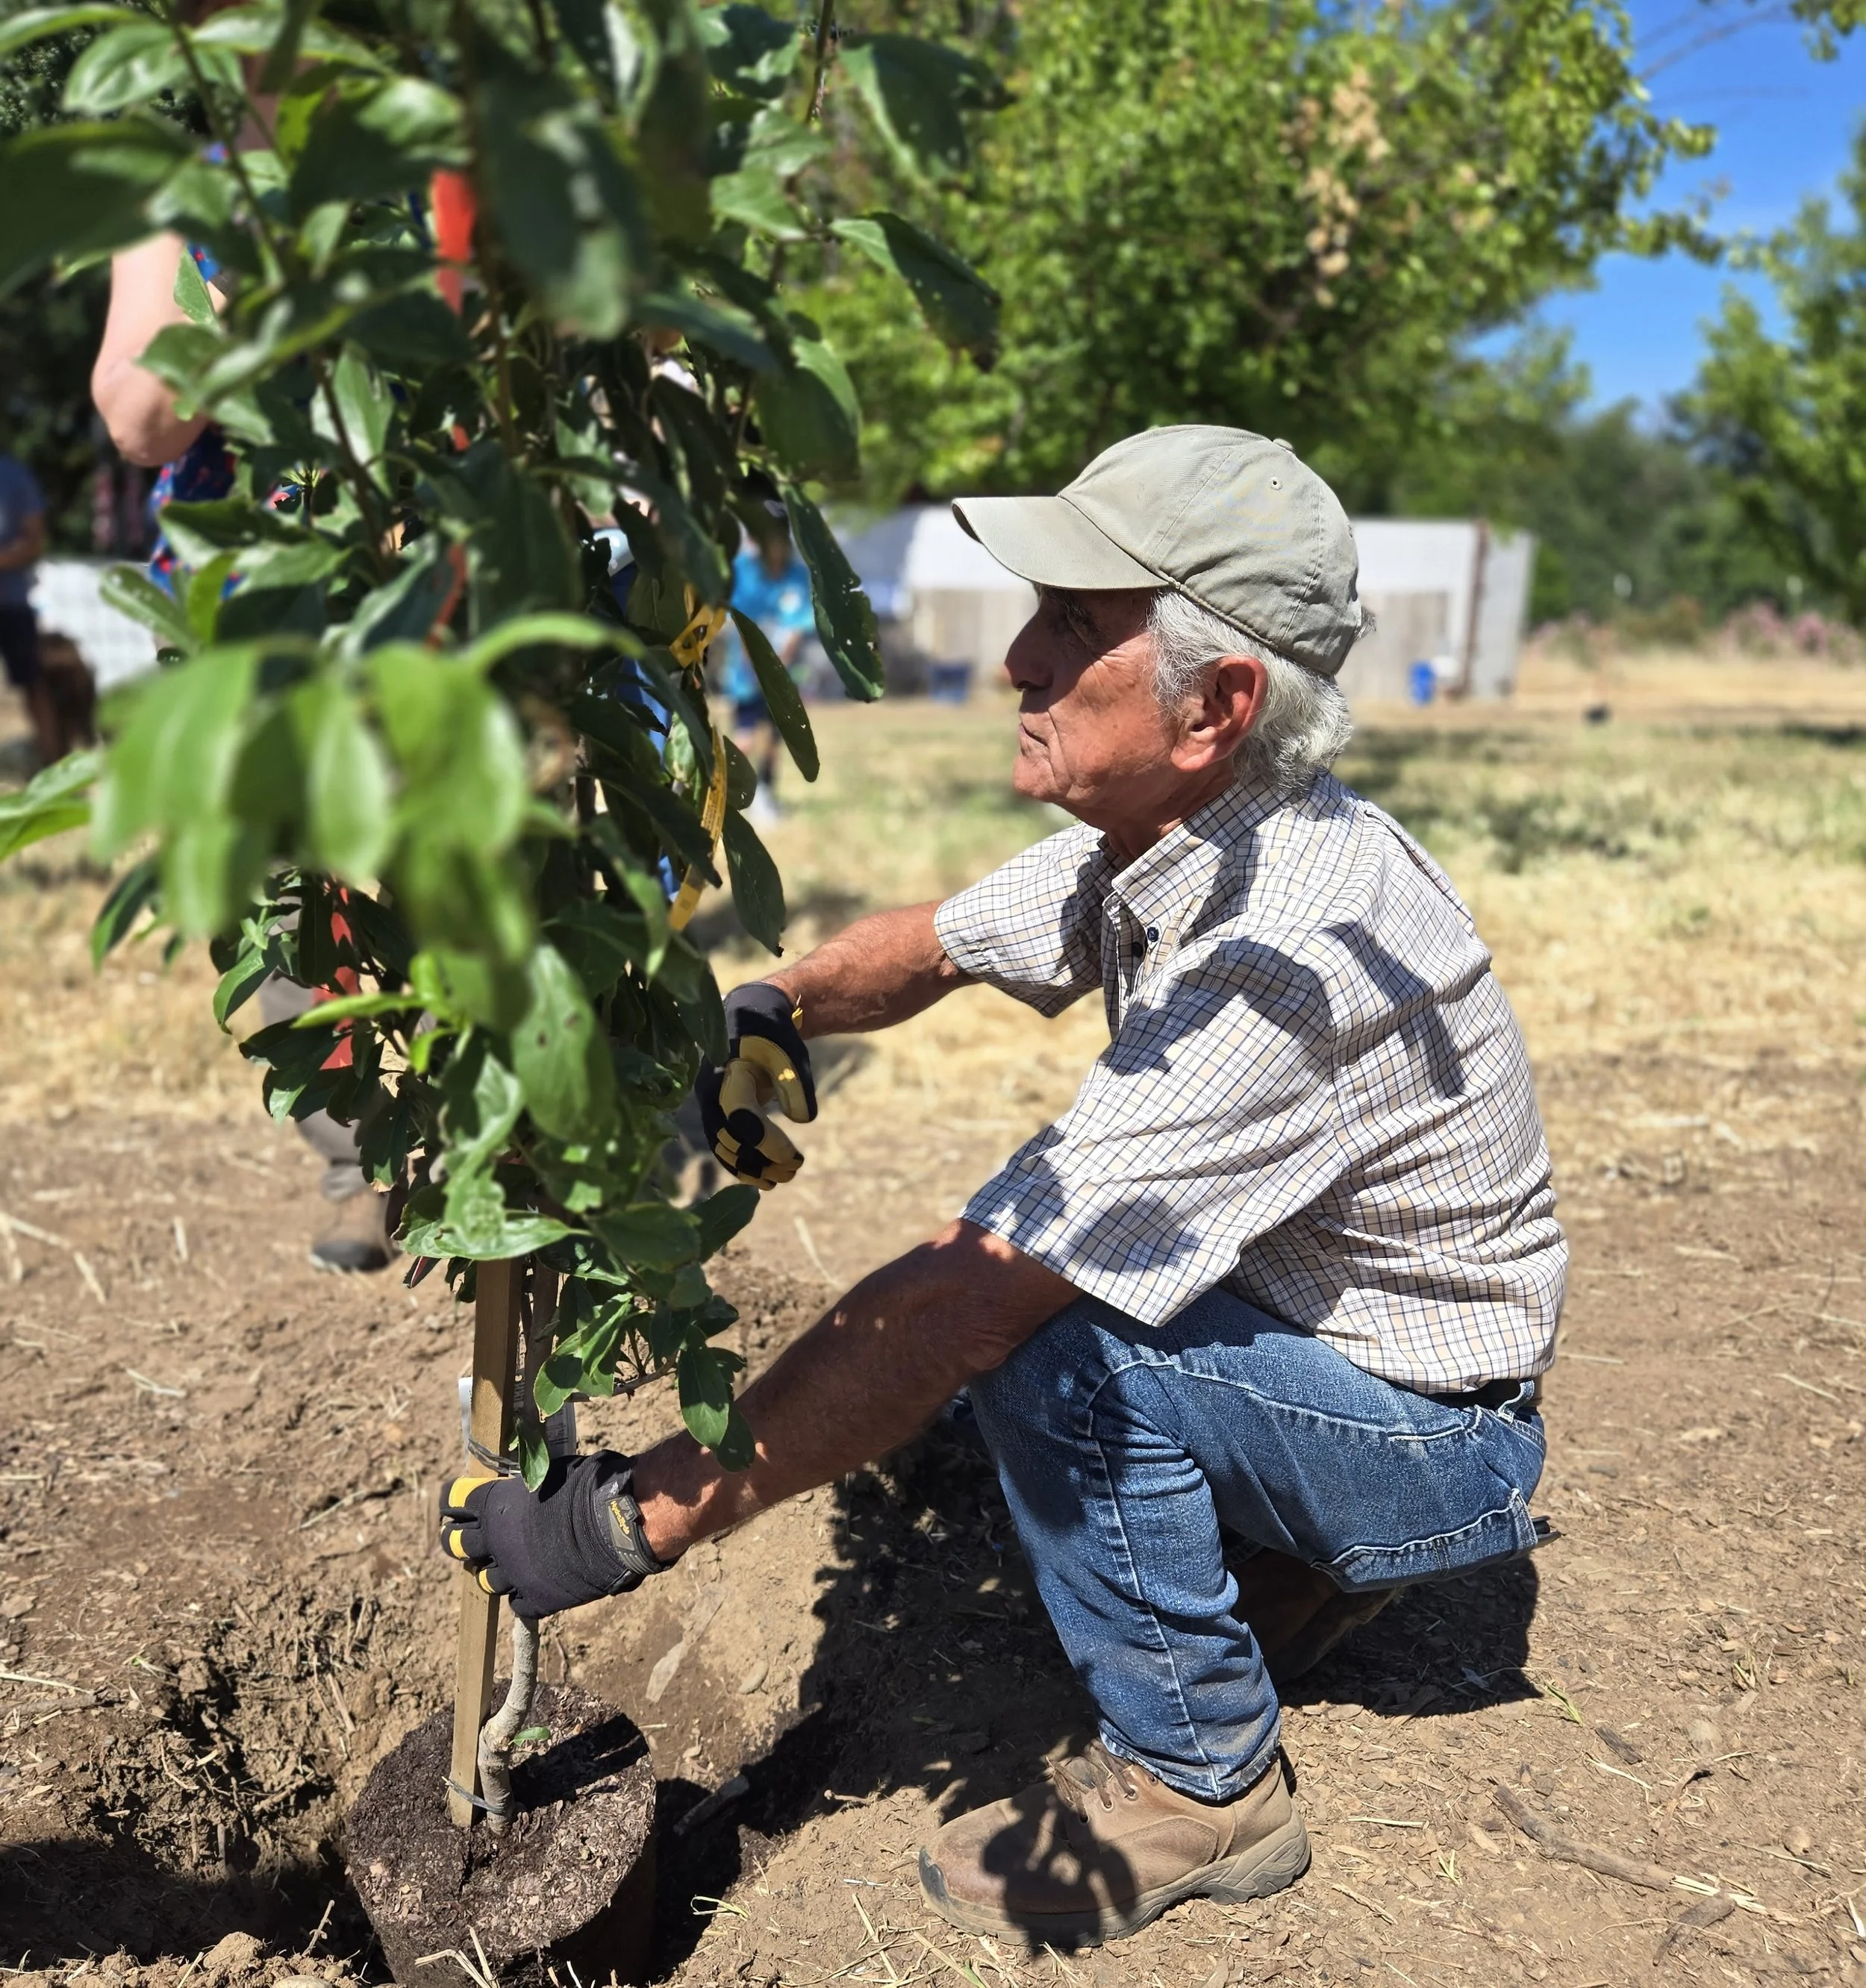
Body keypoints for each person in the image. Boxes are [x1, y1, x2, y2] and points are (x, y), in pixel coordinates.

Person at [440, 428, 1565, 1948]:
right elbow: (941, 940)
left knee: (1051, 1348)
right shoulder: (1179, 834)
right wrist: (772, 1005)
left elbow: (959, 1304)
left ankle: (1204, 1779)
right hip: (1335, 1359)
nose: (1019, 656)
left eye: (1076, 625)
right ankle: (1286, 1553)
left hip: (1435, 1440)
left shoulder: (1277, 952)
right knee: (1046, 1336)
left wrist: (630, 1519)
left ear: (1216, 704)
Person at [92, 236, 394, 1275]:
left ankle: (506, 1151)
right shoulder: (183, 207)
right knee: (301, 898)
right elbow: (140, 422)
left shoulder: (438, 172)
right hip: (249, 608)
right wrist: (253, 275)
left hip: (434, 575)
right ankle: (362, 1163)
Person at [718, 525, 815, 823]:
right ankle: (725, 793)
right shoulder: (743, 572)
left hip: (784, 674)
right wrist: (759, 668)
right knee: (745, 737)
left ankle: (765, 794)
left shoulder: (797, 576)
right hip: (746, 674)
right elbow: (741, 624)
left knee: (775, 738)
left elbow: (798, 625)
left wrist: (777, 669)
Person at [0, 447, 60, 769]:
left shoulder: (14, 475)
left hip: (11, 602)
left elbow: (35, 542)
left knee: (34, 686)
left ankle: (53, 763)